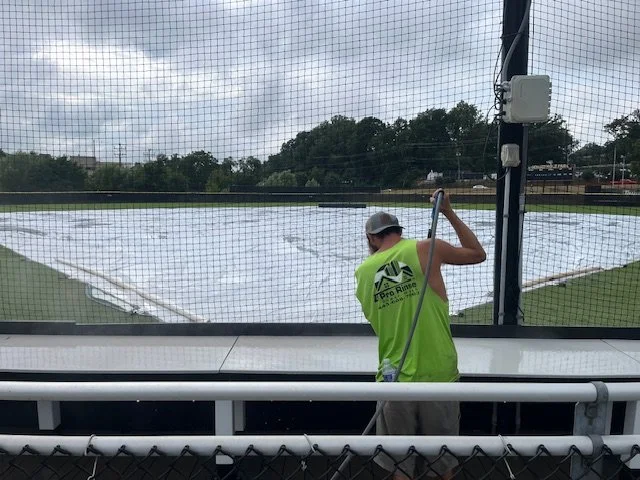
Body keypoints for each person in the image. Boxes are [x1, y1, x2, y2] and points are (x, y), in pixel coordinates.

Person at [354, 189, 486, 480]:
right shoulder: (427, 248)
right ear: (398, 231)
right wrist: (448, 212)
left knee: (400, 465)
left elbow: (379, 323)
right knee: (443, 464)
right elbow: (478, 254)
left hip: (393, 379)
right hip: (438, 373)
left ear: (372, 239)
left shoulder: (363, 273)